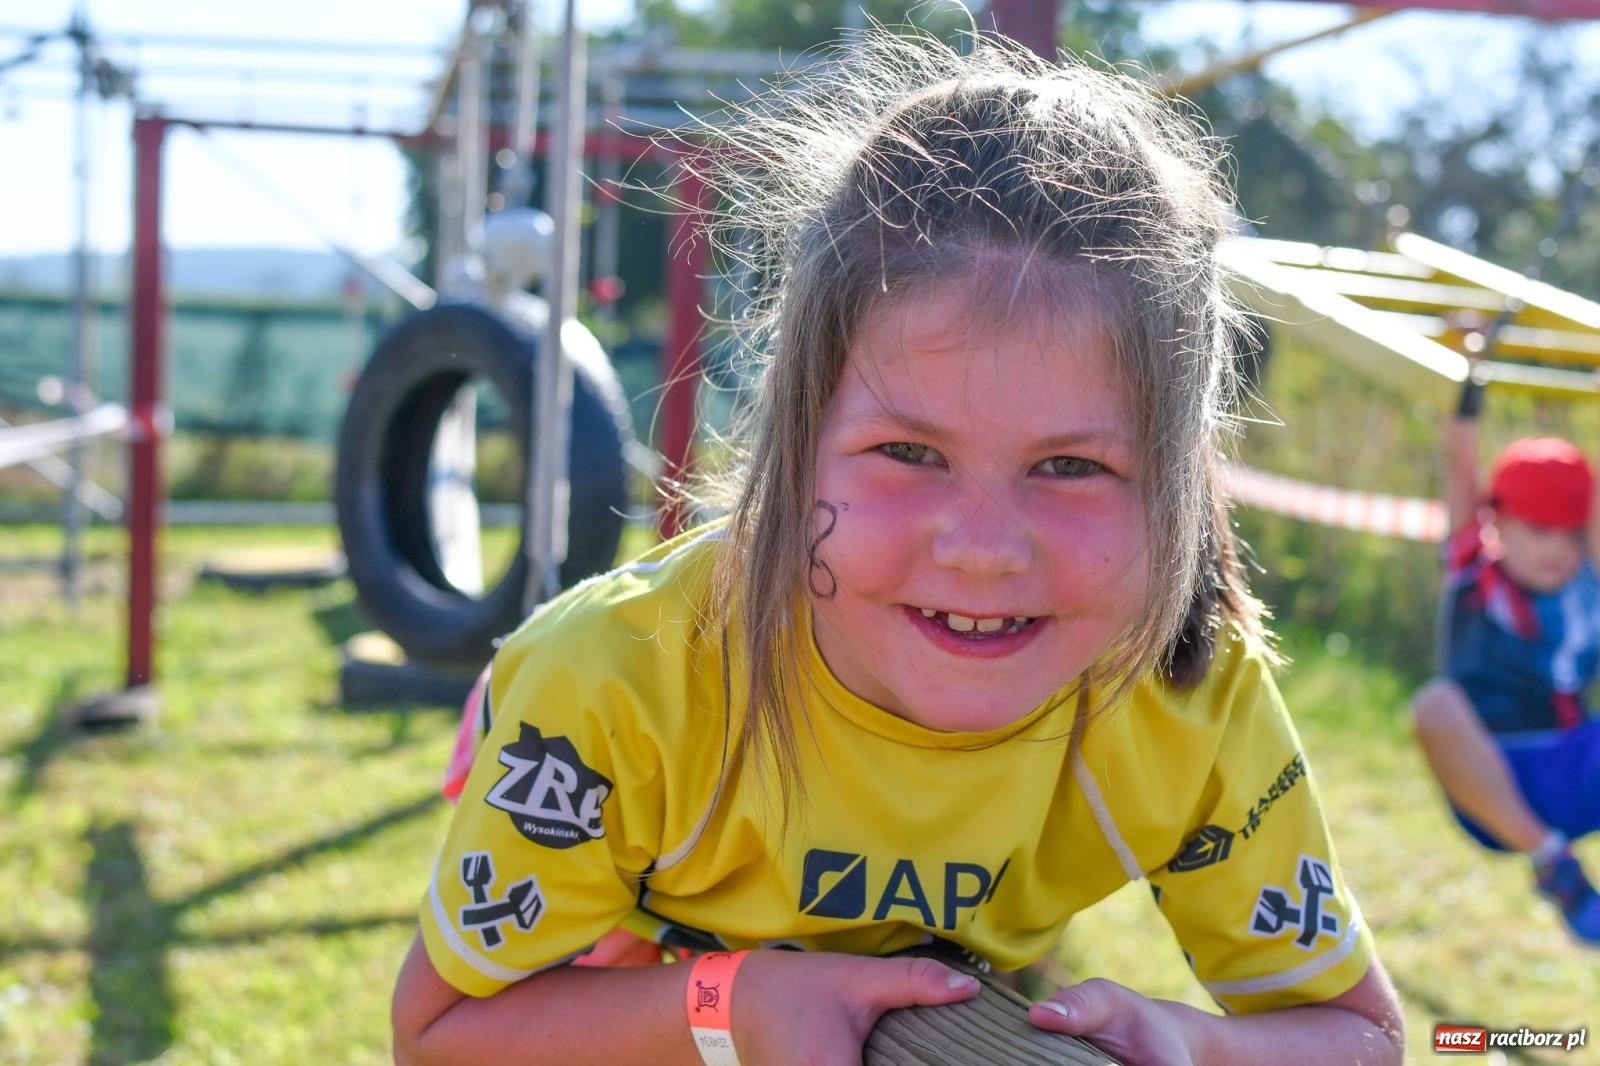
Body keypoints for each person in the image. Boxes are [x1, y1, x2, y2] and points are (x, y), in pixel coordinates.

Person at [392, 31, 1403, 1066]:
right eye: (908, 451)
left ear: (1179, 489)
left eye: (1071, 468)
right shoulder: (611, 695)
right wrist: (722, 1001)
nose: (980, 551)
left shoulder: (1187, 698)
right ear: (793, 447)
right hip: (633, 907)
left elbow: (1362, 1035)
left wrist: (1195, 1045)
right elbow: (446, 1030)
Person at [1411, 373, 1600, 944]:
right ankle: (1553, 865)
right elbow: (1461, 474)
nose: (1557, 549)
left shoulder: (1586, 585)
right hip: (1491, 790)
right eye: (1539, 530)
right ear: (1499, 523)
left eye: (1571, 535)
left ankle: (1553, 855)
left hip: (1571, 767)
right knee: (1434, 704)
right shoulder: (1475, 572)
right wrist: (1468, 388)